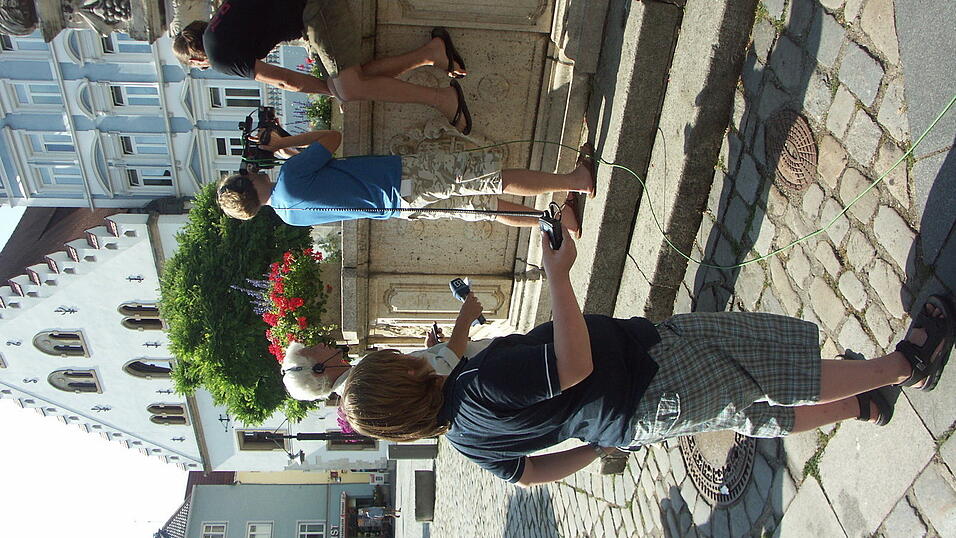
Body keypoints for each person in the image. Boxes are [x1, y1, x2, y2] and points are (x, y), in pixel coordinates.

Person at [337, 225, 956, 486]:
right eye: (391, 361)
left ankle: (862, 404)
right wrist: (558, 275)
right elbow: (572, 365)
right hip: (650, 374)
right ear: (396, 375)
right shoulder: (482, 383)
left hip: (638, 413)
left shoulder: (465, 437)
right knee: (770, 374)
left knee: (754, 415)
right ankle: (907, 365)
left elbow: (533, 474)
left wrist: (602, 445)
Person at [215, 128, 594, 234]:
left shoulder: (287, 215)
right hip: (402, 178)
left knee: (483, 209)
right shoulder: (289, 175)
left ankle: (559, 220)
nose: (251, 169)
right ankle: (574, 180)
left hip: (400, 208)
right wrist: (284, 143)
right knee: (488, 179)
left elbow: (326, 184)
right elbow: (331, 138)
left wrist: (289, 152)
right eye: (246, 173)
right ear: (248, 183)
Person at [172, 0, 474, 133]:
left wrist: (332, 92)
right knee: (357, 79)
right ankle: (433, 53)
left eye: (199, 67)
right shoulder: (220, 22)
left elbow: (284, 81)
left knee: (349, 87)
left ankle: (444, 99)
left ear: (197, 60)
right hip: (310, 12)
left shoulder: (220, 55)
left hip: (315, 9)